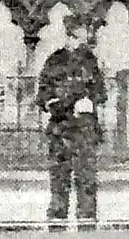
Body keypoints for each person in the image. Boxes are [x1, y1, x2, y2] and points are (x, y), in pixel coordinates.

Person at [36, 17, 106, 231]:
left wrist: (90, 101)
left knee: (86, 180)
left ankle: (87, 228)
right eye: (84, 30)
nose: (87, 34)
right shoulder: (55, 60)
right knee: (59, 181)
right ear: (73, 32)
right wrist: (62, 105)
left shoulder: (89, 59)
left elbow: (100, 91)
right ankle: (57, 228)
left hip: (85, 129)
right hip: (61, 128)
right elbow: (43, 94)